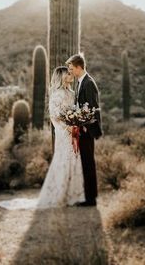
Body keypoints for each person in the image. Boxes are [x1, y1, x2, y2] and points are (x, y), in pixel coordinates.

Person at [35, 66, 85, 209]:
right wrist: (67, 128)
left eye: (71, 73)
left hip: (74, 131)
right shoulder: (56, 94)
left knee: (75, 159)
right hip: (63, 133)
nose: (71, 75)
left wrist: (78, 123)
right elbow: (55, 116)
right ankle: (59, 194)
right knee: (63, 159)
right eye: (68, 74)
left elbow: (76, 111)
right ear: (61, 77)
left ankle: (73, 195)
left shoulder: (72, 93)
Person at [66, 53, 102, 207]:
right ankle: (88, 196)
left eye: (72, 68)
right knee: (85, 163)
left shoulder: (88, 83)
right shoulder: (81, 82)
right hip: (82, 130)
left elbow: (93, 109)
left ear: (79, 67)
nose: (70, 71)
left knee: (88, 163)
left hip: (87, 131)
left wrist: (87, 127)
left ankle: (91, 199)